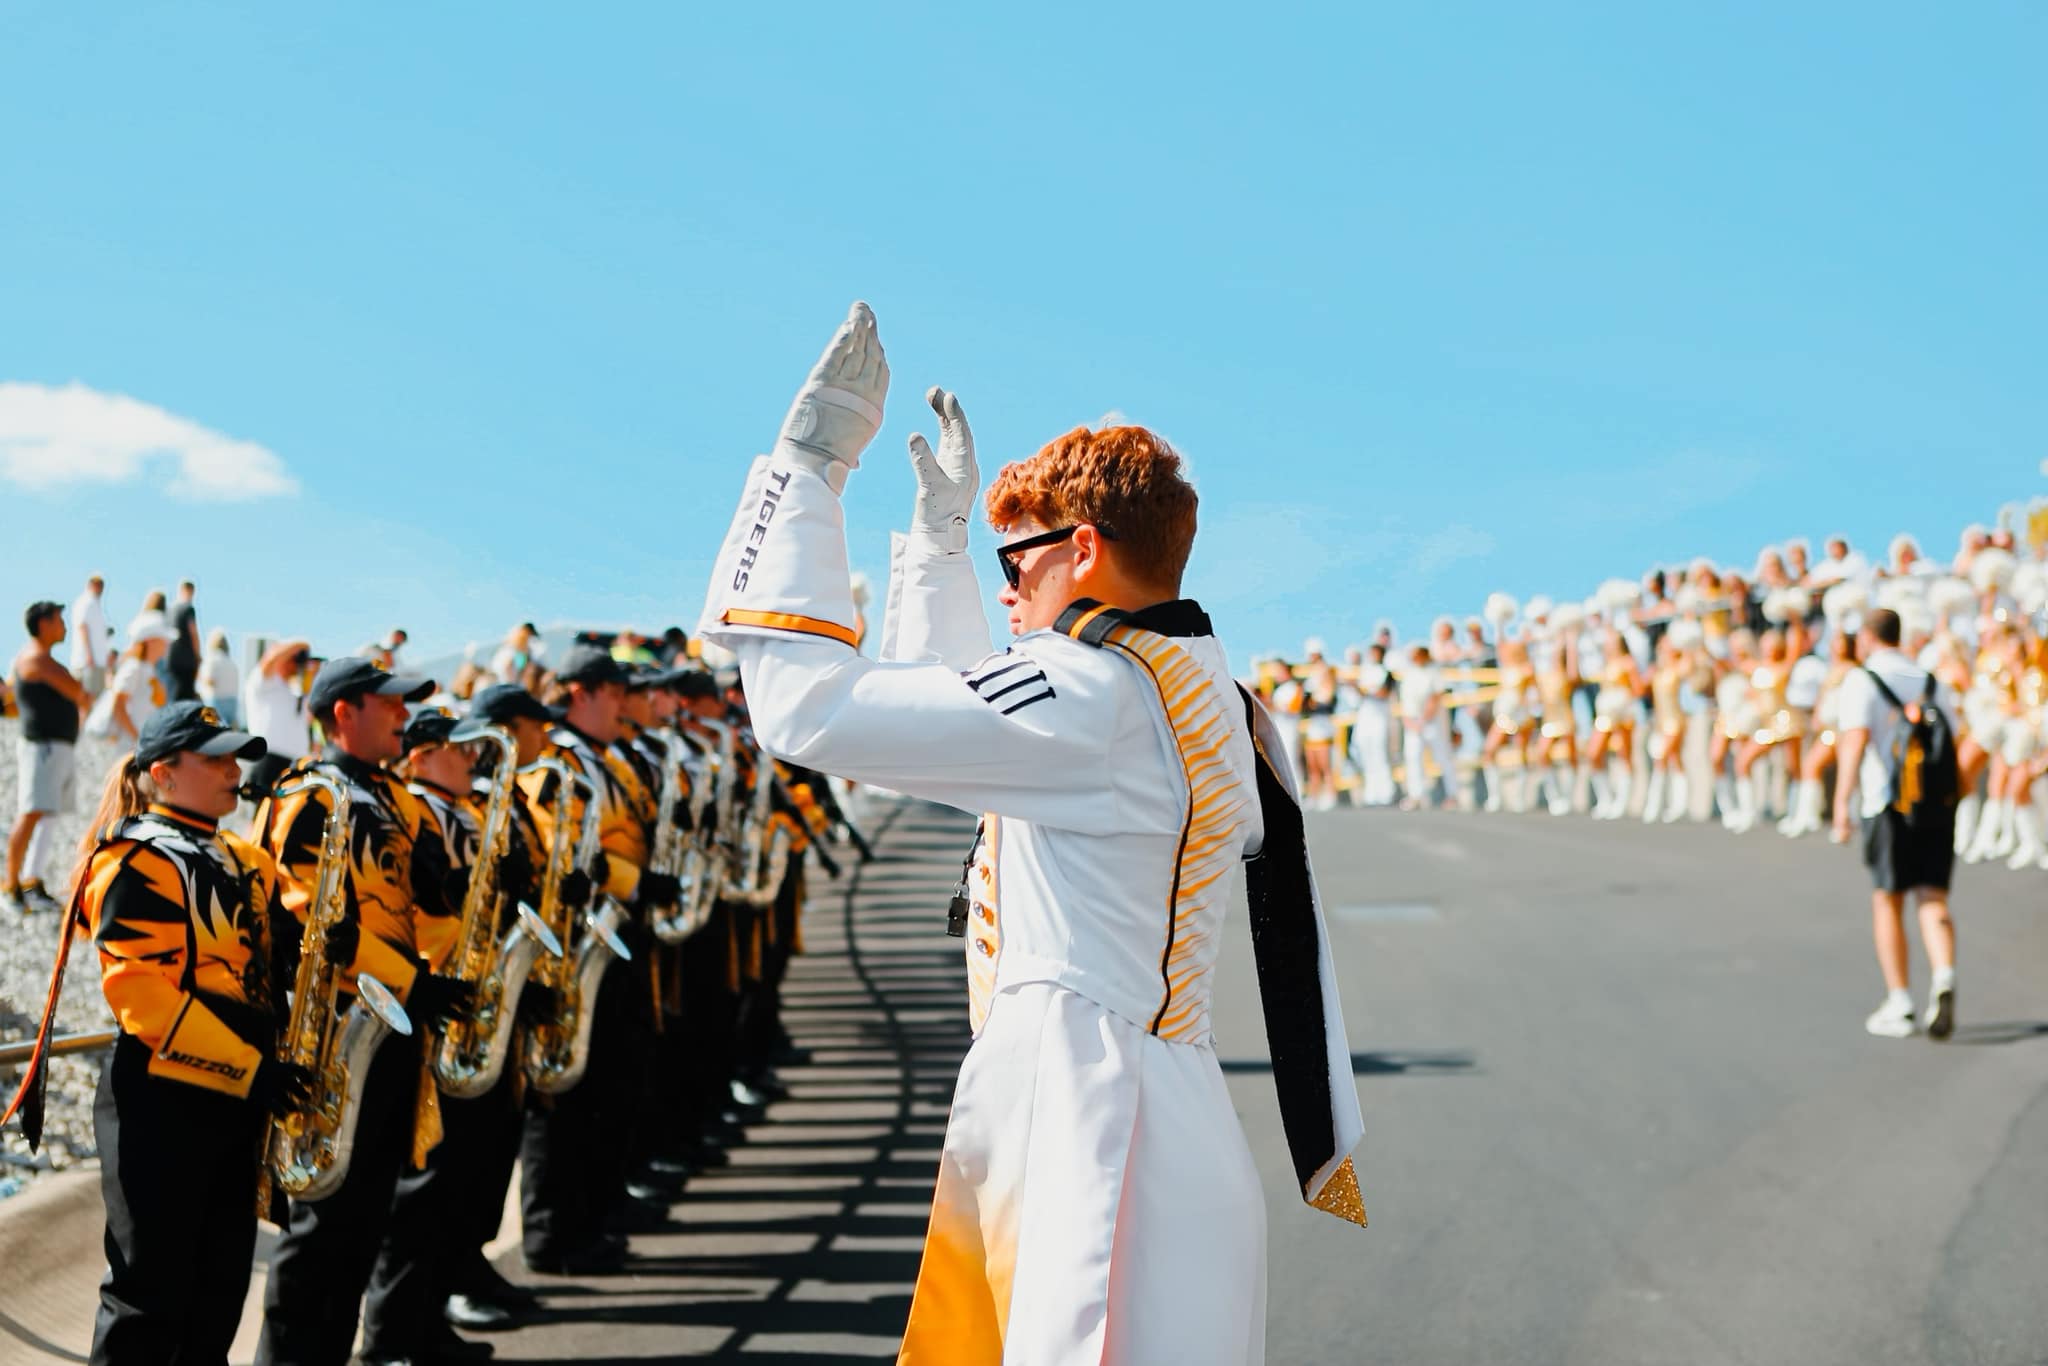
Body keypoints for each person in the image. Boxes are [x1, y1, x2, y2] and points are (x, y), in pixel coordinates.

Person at [698, 305, 1362, 1363]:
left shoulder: (1092, 691)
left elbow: (807, 711)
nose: (1010, 587)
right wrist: (942, 546)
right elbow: (975, 739)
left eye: (1020, 562)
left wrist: (807, 469)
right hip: (1155, 1105)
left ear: (1083, 548)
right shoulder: (1186, 686)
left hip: (1088, 1123)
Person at [252, 657, 479, 1366]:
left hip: (392, 1028)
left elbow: (434, 891)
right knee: (322, 1228)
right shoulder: (309, 796)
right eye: (390, 705)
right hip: (335, 1031)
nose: (404, 719)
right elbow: (319, 929)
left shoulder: (395, 797)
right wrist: (413, 983)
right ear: (344, 713)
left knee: (365, 1221)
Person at [76, 705, 318, 1365]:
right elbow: (140, 996)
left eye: (235, 758)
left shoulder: (241, 854)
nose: (234, 772)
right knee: (148, 1302)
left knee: (218, 1295)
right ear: (164, 773)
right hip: (162, 1098)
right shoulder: (135, 858)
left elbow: (278, 953)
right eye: (214, 759)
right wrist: (252, 1069)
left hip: (232, 1097)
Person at [1831, 608, 1961, 1040]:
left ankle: (1900, 999)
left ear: (1868, 638)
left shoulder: (1861, 680)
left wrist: (1840, 803)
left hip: (1886, 803)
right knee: (1933, 898)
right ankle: (1943, 975)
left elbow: (1853, 742)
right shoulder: (1931, 681)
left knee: (1888, 899)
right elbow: (1952, 740)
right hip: (1934, 806)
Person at [5, 601, 93, 916]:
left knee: (47, 814)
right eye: (58, 620)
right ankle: (11, 885)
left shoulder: (42, 660)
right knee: (31, 813)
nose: (64, 626)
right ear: (43, 624)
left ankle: (32, 881)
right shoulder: (35, 660)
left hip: (55, 747)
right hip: (42, 747)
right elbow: (77, 691)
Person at [85, 615, 177, 745]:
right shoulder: (134, 667)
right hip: (124, 747)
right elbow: (118, 705)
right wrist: (137, 739)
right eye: (163, 639)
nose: (167, 644)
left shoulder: (150, 670)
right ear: (151, 641)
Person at [243, 640, 314, 799]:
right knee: (260, 818)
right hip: (269, 759)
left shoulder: (297, 692)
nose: (294, 664)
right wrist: (301, 644)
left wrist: (310, 675)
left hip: (296, 764)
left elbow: (310, 717)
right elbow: (271, 658)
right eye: (292, 659)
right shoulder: (263, 682)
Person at [69, 574, 111, 696]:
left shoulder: (94, 604)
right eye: (97, 584)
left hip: (97, 661)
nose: (100, 588)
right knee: (89, 701)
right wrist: (89, 655)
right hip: (89, 662)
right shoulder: (86, 602)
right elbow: (82, 627)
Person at [165, 581, 201, 703]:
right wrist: (198, 657)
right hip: (186, 661)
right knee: (185, 698)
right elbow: (193, 632)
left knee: (172, 695)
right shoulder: (188, 608)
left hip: (171, 659)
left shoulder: (170, 609)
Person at [198, 627, 240, 728]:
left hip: (213, 703)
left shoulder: (211, 659)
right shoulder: (232, 663)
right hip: (232, 703)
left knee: (210, 732)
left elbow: (209, 681)